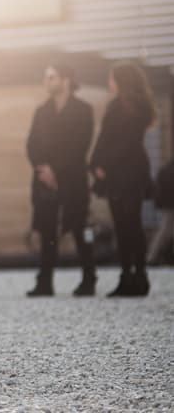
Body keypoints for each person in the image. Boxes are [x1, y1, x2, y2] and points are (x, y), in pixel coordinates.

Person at [25, 64, 96, 297]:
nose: (46, 82)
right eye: (45, 78)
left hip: (73, 180)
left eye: (51, 77)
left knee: (78, 228)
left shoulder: (83, 110)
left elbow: (80, 145)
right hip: (45, 181)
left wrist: (57, 170)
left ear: (66, 80)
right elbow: (31, 144)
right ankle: (44, 282)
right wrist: (43, 169)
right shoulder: (41, 111)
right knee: (47, 232)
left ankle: (88, 279)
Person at [90, 61, 156, 297]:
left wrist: (103, 164)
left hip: (129, 172)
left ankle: (139, 275)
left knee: (132, 224)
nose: (109, 83)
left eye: (111, 78)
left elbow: (127, 142)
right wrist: (96, 163)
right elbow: (105, 139)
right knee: (122, 225)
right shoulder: (115, 106)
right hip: (116, 173)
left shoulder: (136, 107)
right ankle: (127, 275)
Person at [148, 159, 174, 264]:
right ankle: (151, 257)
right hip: (170, 204)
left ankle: (152, 256)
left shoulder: (165, 169)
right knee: (164, 230)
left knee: (165, 230)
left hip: (166, 204)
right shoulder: (169, 170)